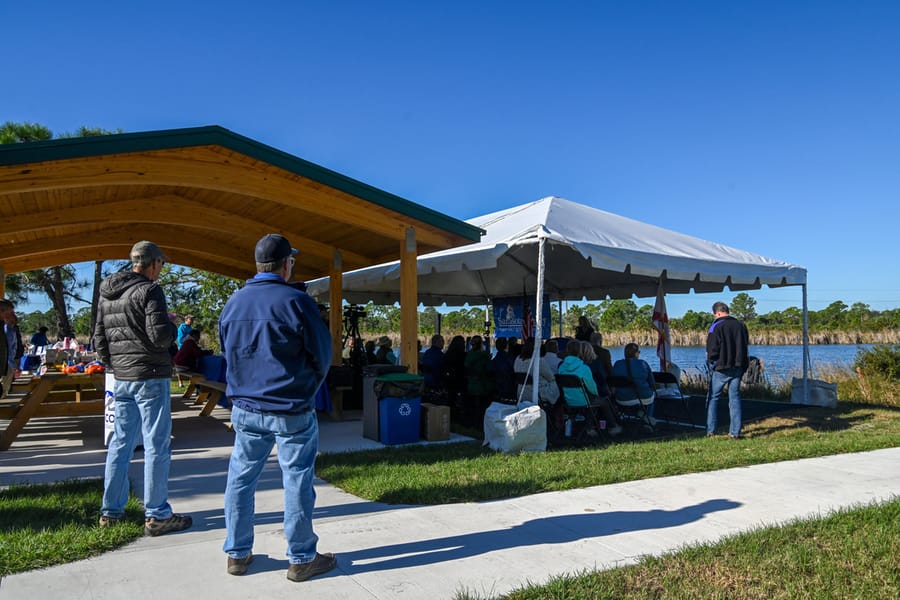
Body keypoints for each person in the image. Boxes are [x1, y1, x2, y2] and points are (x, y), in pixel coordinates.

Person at [218, 233, 335, 582]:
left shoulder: (233, 302)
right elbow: (322, 354)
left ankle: (237, 554)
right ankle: (300, 558)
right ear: (286, 264)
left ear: (258, 265)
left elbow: (228, 352)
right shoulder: (296, 301)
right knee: (297, 479)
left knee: (240, 478)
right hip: (291, 407)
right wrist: (308, 388)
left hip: (247, 407)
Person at [93, 240, 192, 536]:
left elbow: (99, 339)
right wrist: (172, 325)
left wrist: (116, 365)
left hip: (122, 377)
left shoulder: (106, 294)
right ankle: (158, 513)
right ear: (154, 263)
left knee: (120, 444)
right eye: (162, 264)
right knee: (156, 445)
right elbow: (160, 337)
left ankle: (111, 511)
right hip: (150, 375)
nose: (161, 269)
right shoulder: (150, 290)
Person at [557, 341, 622, 436]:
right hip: (583, 400)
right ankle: (612, 426)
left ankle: (589, 427)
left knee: (592, 401)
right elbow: (592, 388)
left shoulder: (561, 367)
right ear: (580, 352)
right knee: (602, 401)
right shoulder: (584, 368)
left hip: (568, 400)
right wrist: (598, 393)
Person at [706, 301, 750, 439]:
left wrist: (712, 361)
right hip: (738, 366)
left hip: (721, 367)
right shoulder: (741, 325)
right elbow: (745, 344)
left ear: (717, 313)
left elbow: (712, 348)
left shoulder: (716, 326)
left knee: (713, 398)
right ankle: (735, 432)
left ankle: (711, 430)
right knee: (735, 398)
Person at [611, 343, 657, 425]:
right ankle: (648, 419)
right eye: (639, 352)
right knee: (652, 395)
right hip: (643, 397)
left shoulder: (617, 364)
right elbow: (652, 383)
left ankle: (640, 413)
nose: (639, 354)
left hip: (622, 398)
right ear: (636, 353)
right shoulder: (643, 363)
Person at [513, 338, 557, 405]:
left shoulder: (518, 359)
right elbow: (551, 377)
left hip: (521, 393)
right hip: (536, 394)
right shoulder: (539, 361)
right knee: (555, 384)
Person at [463, 335, 492, 427]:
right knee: (482, 405)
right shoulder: (484, 356)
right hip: (482, 386)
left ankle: (472, 422)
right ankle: (481, 422)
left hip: (471, 385)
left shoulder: (469, 355)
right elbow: (488, 369)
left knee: (473, 405)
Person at [488, 336, 516, 401]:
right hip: (509, 388)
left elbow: (490, 372)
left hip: (496, 388)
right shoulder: (510, 358)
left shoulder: (494, 361)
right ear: (507, 346)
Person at [2, 304, 19, 399]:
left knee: (7, 386)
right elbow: (7, 347)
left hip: (11, 361)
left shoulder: (12, 330)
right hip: (7, 362)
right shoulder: (6, 330)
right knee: (4, 385)